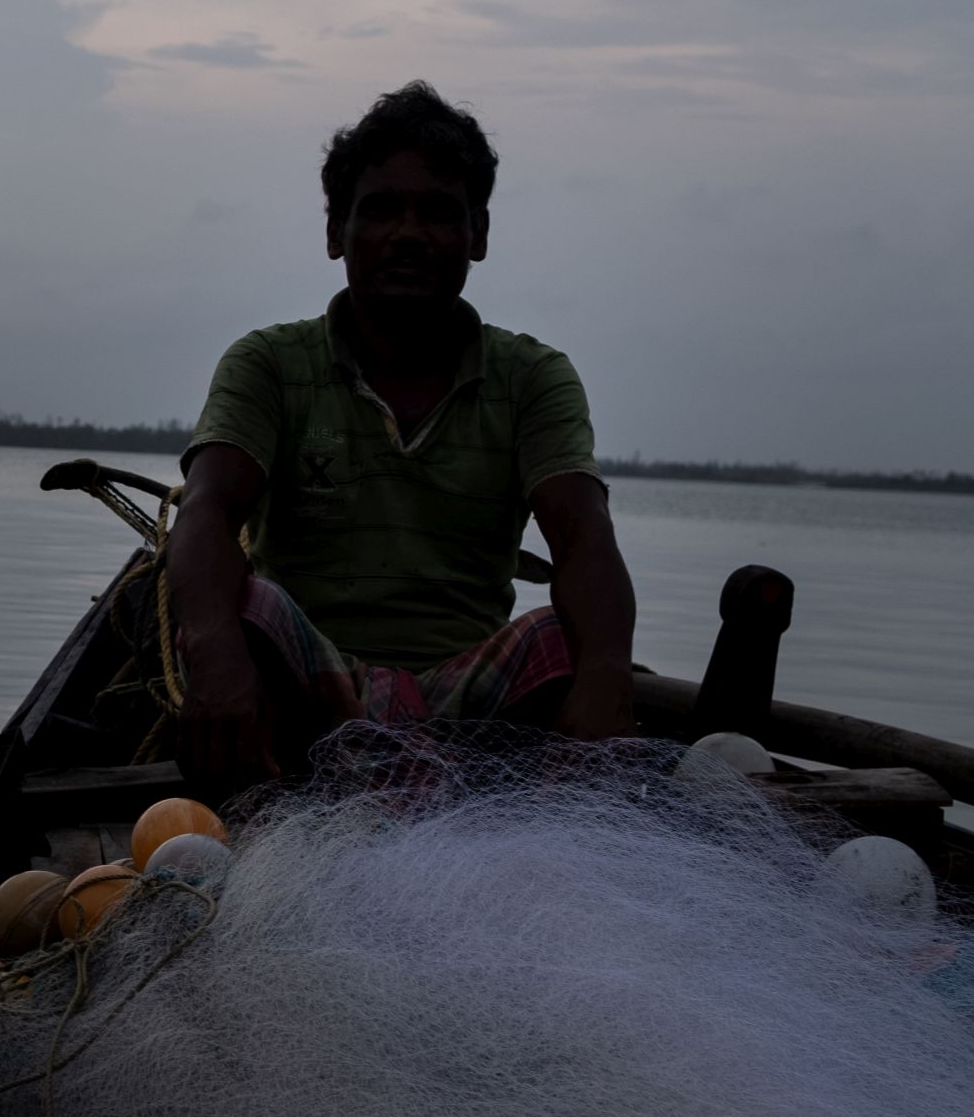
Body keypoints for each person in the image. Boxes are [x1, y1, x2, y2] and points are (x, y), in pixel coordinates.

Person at [166, 82, 638, 795]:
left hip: (468, 694)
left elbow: (583, 532)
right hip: (316, 682)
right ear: (336, 233)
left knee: (560, 639)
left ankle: (397, 780)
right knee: (249, 610)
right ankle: (412, 784)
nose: (409, 234)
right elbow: (205, 511)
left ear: (477, 234)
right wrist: (214, 653)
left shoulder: (533, 377)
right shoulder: (267, 364)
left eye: (439, 213)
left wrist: (605, 681)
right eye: (381, 209)